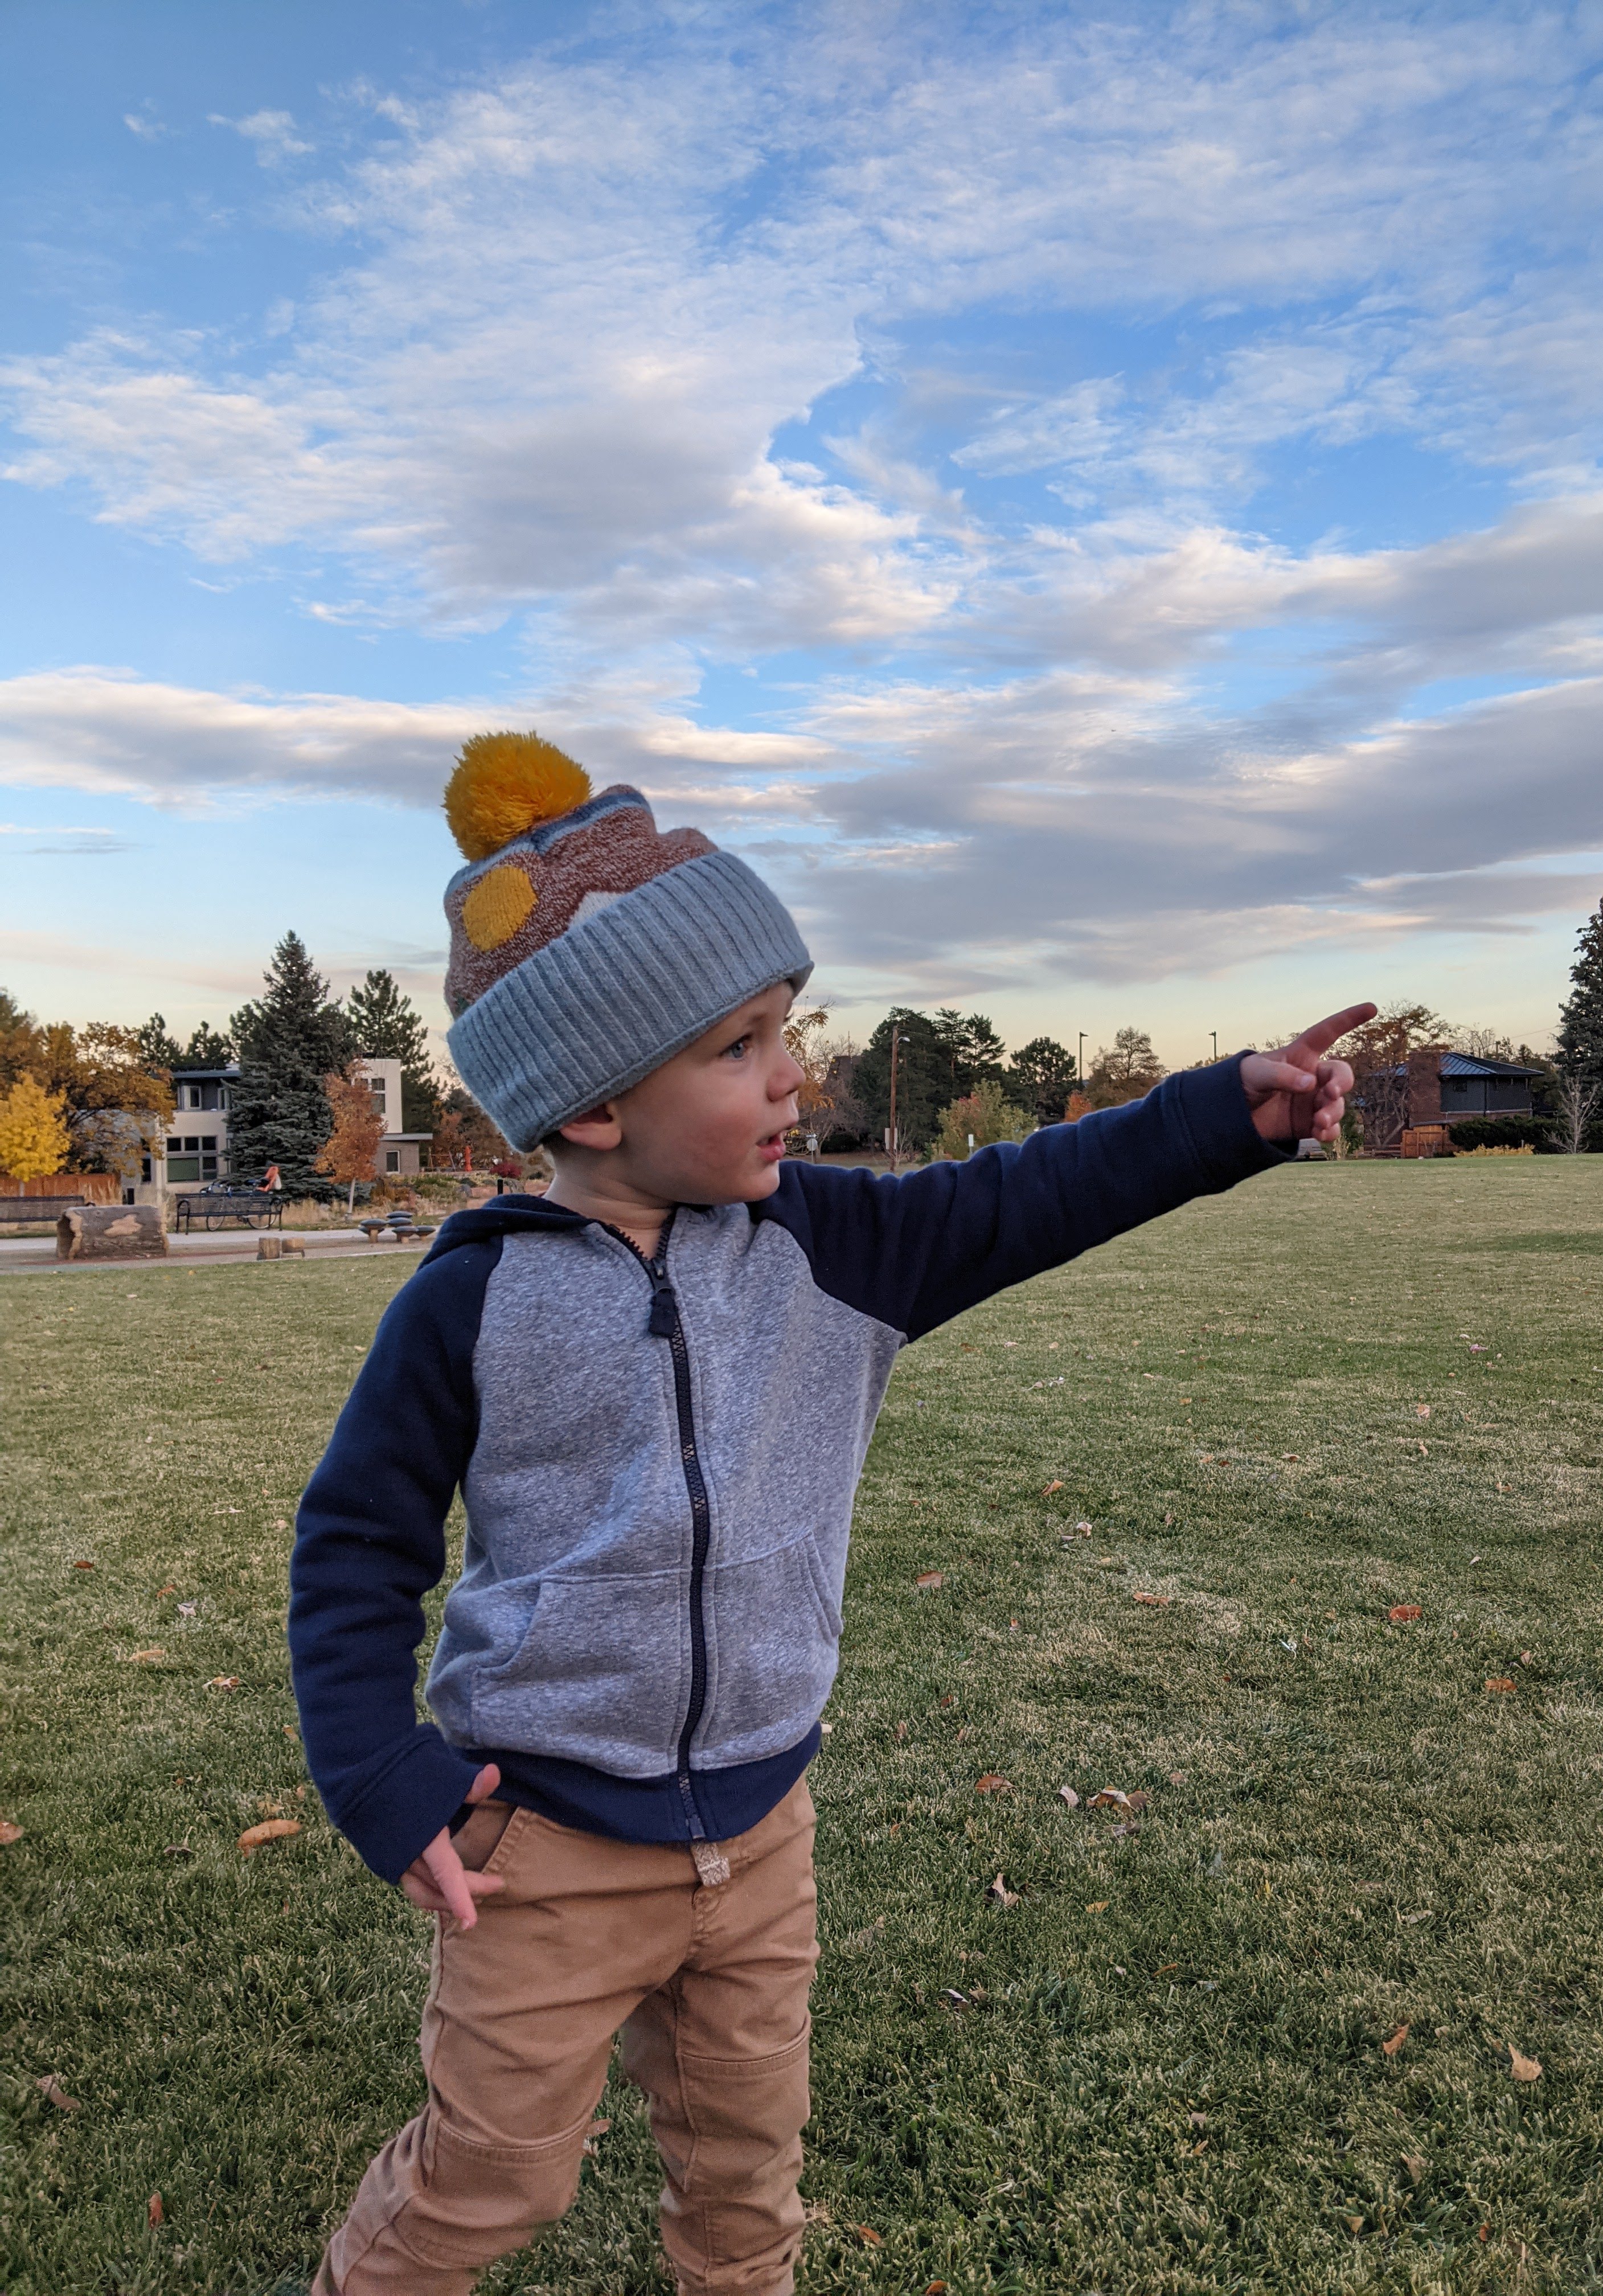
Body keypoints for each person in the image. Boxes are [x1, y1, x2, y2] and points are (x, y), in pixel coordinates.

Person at [289, 731, 1368, 2295]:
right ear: (595, 1104)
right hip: (543, 1849)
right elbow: (355, 1547)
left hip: (762, 1833)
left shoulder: (837, 1246)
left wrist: (1226, 1117)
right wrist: (385, 1778)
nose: (796, 1074)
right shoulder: (470, 1304)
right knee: (488, 2186)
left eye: (786, 1027)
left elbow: (1029, 1193)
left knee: (744, 2192)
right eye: (738, 1046)